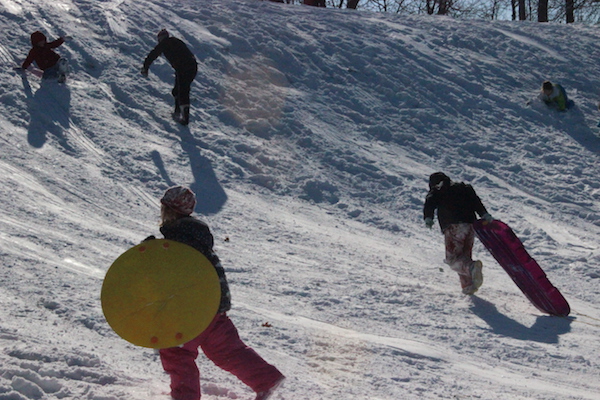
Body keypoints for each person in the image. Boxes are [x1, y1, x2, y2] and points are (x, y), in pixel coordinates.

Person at [148, 186, 285, 400]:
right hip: (215, 306)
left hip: (193, 309)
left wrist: (152, 255)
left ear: (169, 211)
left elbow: (175, 271)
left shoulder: (179, 238)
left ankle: (185, 397)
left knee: (178, 353)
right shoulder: (196, 234)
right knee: (227, 351)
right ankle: (265, 379)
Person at [423, 172, 493, 295]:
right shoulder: (464, 187)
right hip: (471, 226)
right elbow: (476, 201)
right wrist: (484, 214)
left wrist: (428, 217)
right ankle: (468, 286)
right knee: (463, 257)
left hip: (453, 226)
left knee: (452, 259)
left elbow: (430, 201)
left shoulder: (438, 189)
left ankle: (471, 268)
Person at [141, 29, 198, 125]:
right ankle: (178, 111)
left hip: (184, 67)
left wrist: (145, 67)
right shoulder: (175, 41)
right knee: (177, 90)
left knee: (183, 91)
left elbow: (154, 53)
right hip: (191, 67)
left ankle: (185, 119)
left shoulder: (166, 43)